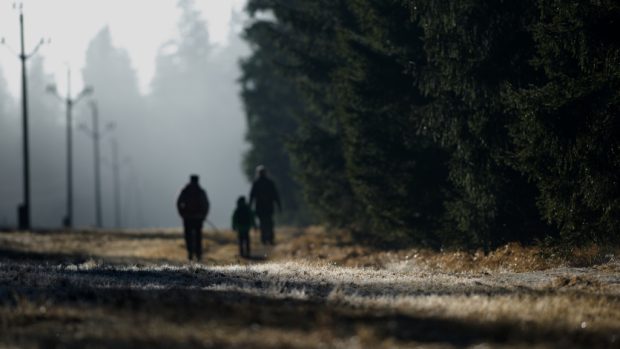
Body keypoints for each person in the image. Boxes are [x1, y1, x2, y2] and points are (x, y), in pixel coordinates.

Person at [176, 174, 209, 261]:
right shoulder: (200, 191)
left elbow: (179, 202)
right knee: (198, 236)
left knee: (188, 236)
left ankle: (190, 253)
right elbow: (206, 204)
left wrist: (182, 213)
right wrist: (204, 215)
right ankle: (198, 254)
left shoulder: (185, 191)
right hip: (198, 218)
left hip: (187, 217)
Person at [249, 165, 281, 245]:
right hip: (266, 207)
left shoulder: (257, 183)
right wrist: (278, 205)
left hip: (261, 207)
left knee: (265, 223)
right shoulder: (268, 183)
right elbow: (275, 195)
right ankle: (268, 238)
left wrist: (250, 206)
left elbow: (252, 196)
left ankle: (266, 238)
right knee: (267, 223)